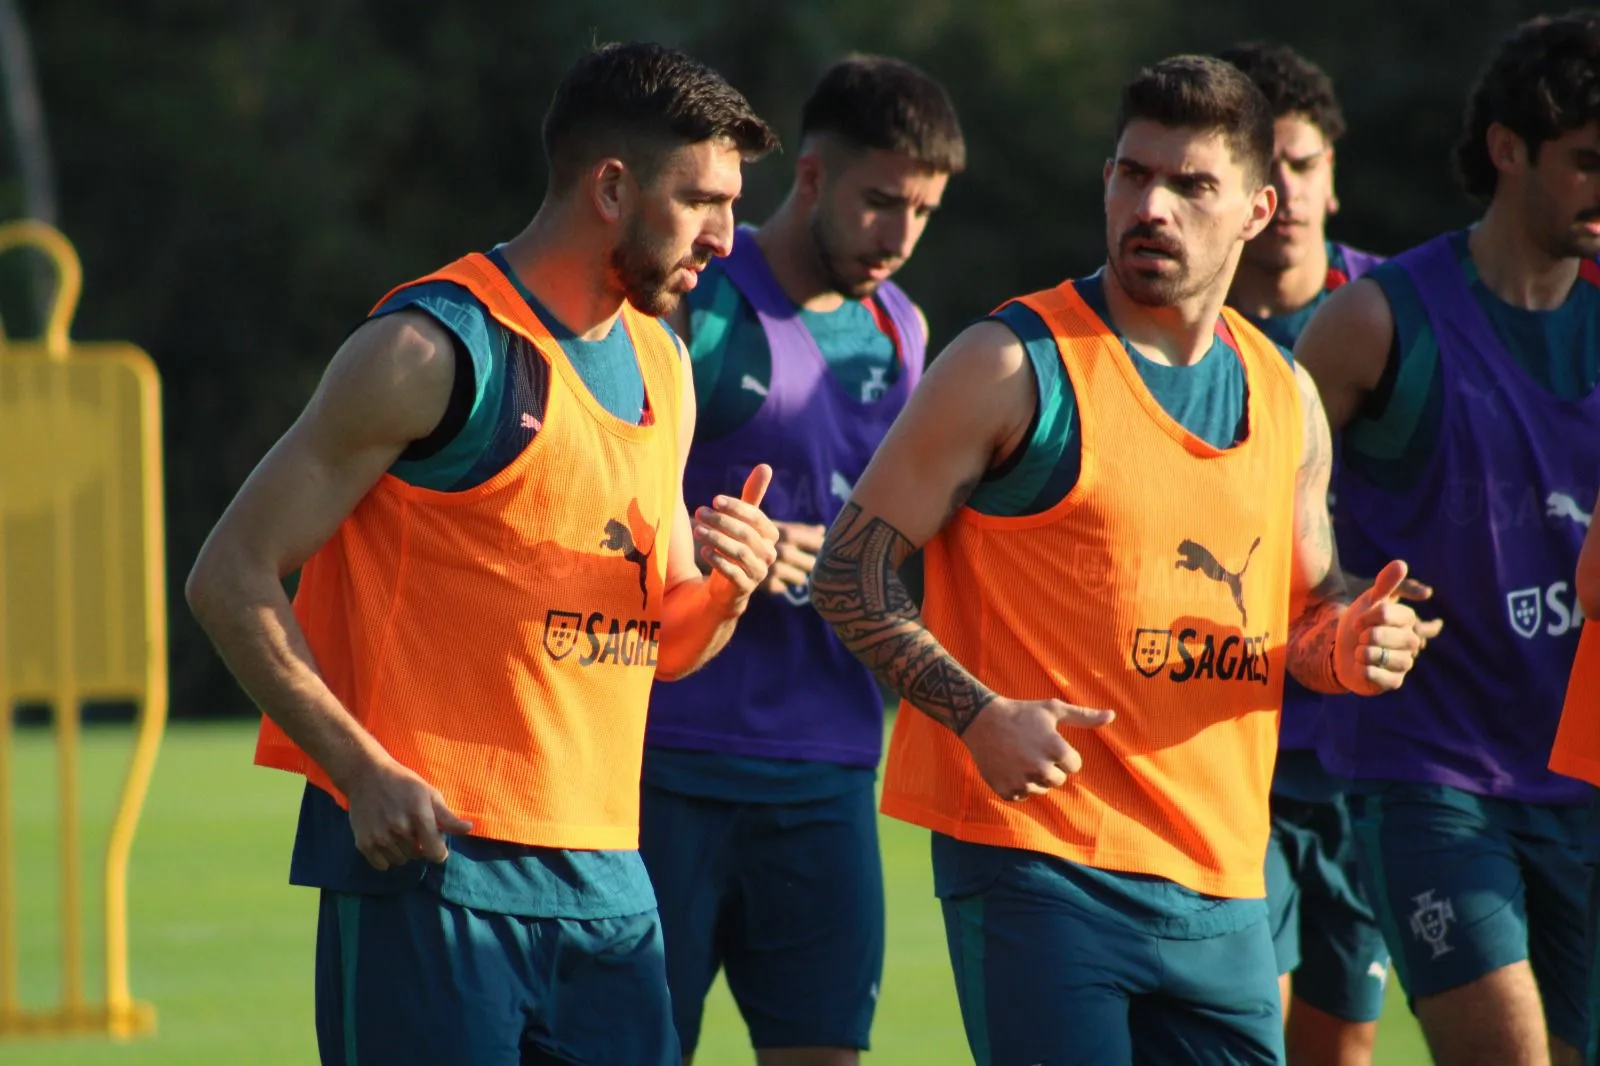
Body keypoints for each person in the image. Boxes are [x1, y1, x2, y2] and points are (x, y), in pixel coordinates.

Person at [812, 54, 1432, 1065]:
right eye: (1133, 175)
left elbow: (1306, 613)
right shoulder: (1011, 364)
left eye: (1191, 185)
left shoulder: (1285, 394)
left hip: (1223, 882)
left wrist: (1355, 640)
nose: (1152, 207)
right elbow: (847, 572)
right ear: (1105, 181)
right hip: (1041, 864)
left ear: (1256, 209)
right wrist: (978, 715)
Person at [185, 42, 782, 1066]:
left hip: (609, 888)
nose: (727, 239)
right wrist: (360, 772)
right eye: (702, 202)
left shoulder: (667, 366)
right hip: (433, 871)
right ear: (611, 188)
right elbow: (229, 576)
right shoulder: (432, 349)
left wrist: (728, 589)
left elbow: (666, 643)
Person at [639, 55, 964, 1066]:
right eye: (880, 201)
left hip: (828, 770)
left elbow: (906, 543)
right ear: (813, 175)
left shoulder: (901, 331)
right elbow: (610, 490)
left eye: (923, 212)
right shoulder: (695, 297)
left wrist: (855, 564)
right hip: (668, 757)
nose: (899, 235)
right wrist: (708, 539)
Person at [1294, 11, 1600, 1066]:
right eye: (1586, 162)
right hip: (1432, 773)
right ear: (1508, 148)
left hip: (1582, 773)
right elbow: (1252, 499)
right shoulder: (1377, 322)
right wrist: (1334, 593)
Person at [1219, 40, 1391, 1066]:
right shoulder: (1177, 325)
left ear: (1333, 173)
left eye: (1303, 163)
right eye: (1263, 166)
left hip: (1365, 749)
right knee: (1243, 1028)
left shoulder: (1393, 314)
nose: (1284, 191)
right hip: (1225, 735)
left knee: (1342, 1042)